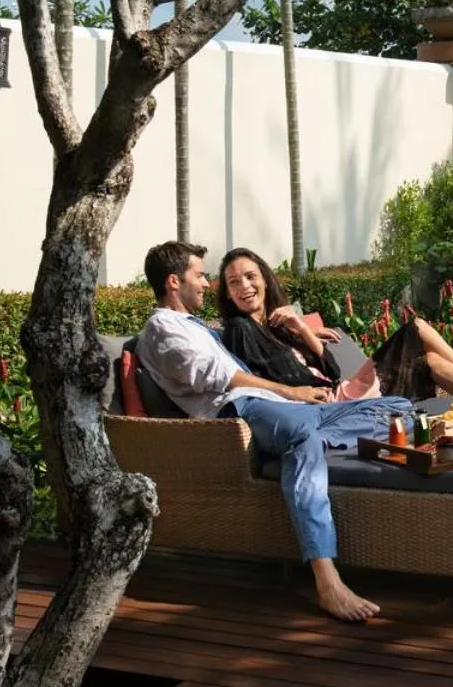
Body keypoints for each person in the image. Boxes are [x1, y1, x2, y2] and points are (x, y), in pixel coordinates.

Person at [134, 240, 411, 622]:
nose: (205, 283)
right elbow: (224, 379)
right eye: (199, 275)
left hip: (282, 409)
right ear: (173, 281)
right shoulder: (163, 329)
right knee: (301, 435)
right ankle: (327, 579)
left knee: (400, 409)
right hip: (241, 410)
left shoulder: (194, 326)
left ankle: (311, 442)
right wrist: (291, 391)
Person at [214, 246, 453, 413]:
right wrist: (303, 377)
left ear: (264, 278)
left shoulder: (280, 322)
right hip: (337, 402)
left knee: (433, 366)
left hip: (340, 387)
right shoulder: (240, 330)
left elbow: (327, 365)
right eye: (234, 282)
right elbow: (300, 379)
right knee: (417, 328)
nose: (245, 286)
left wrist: (300, 327)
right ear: (228, 294)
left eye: (250, 276)